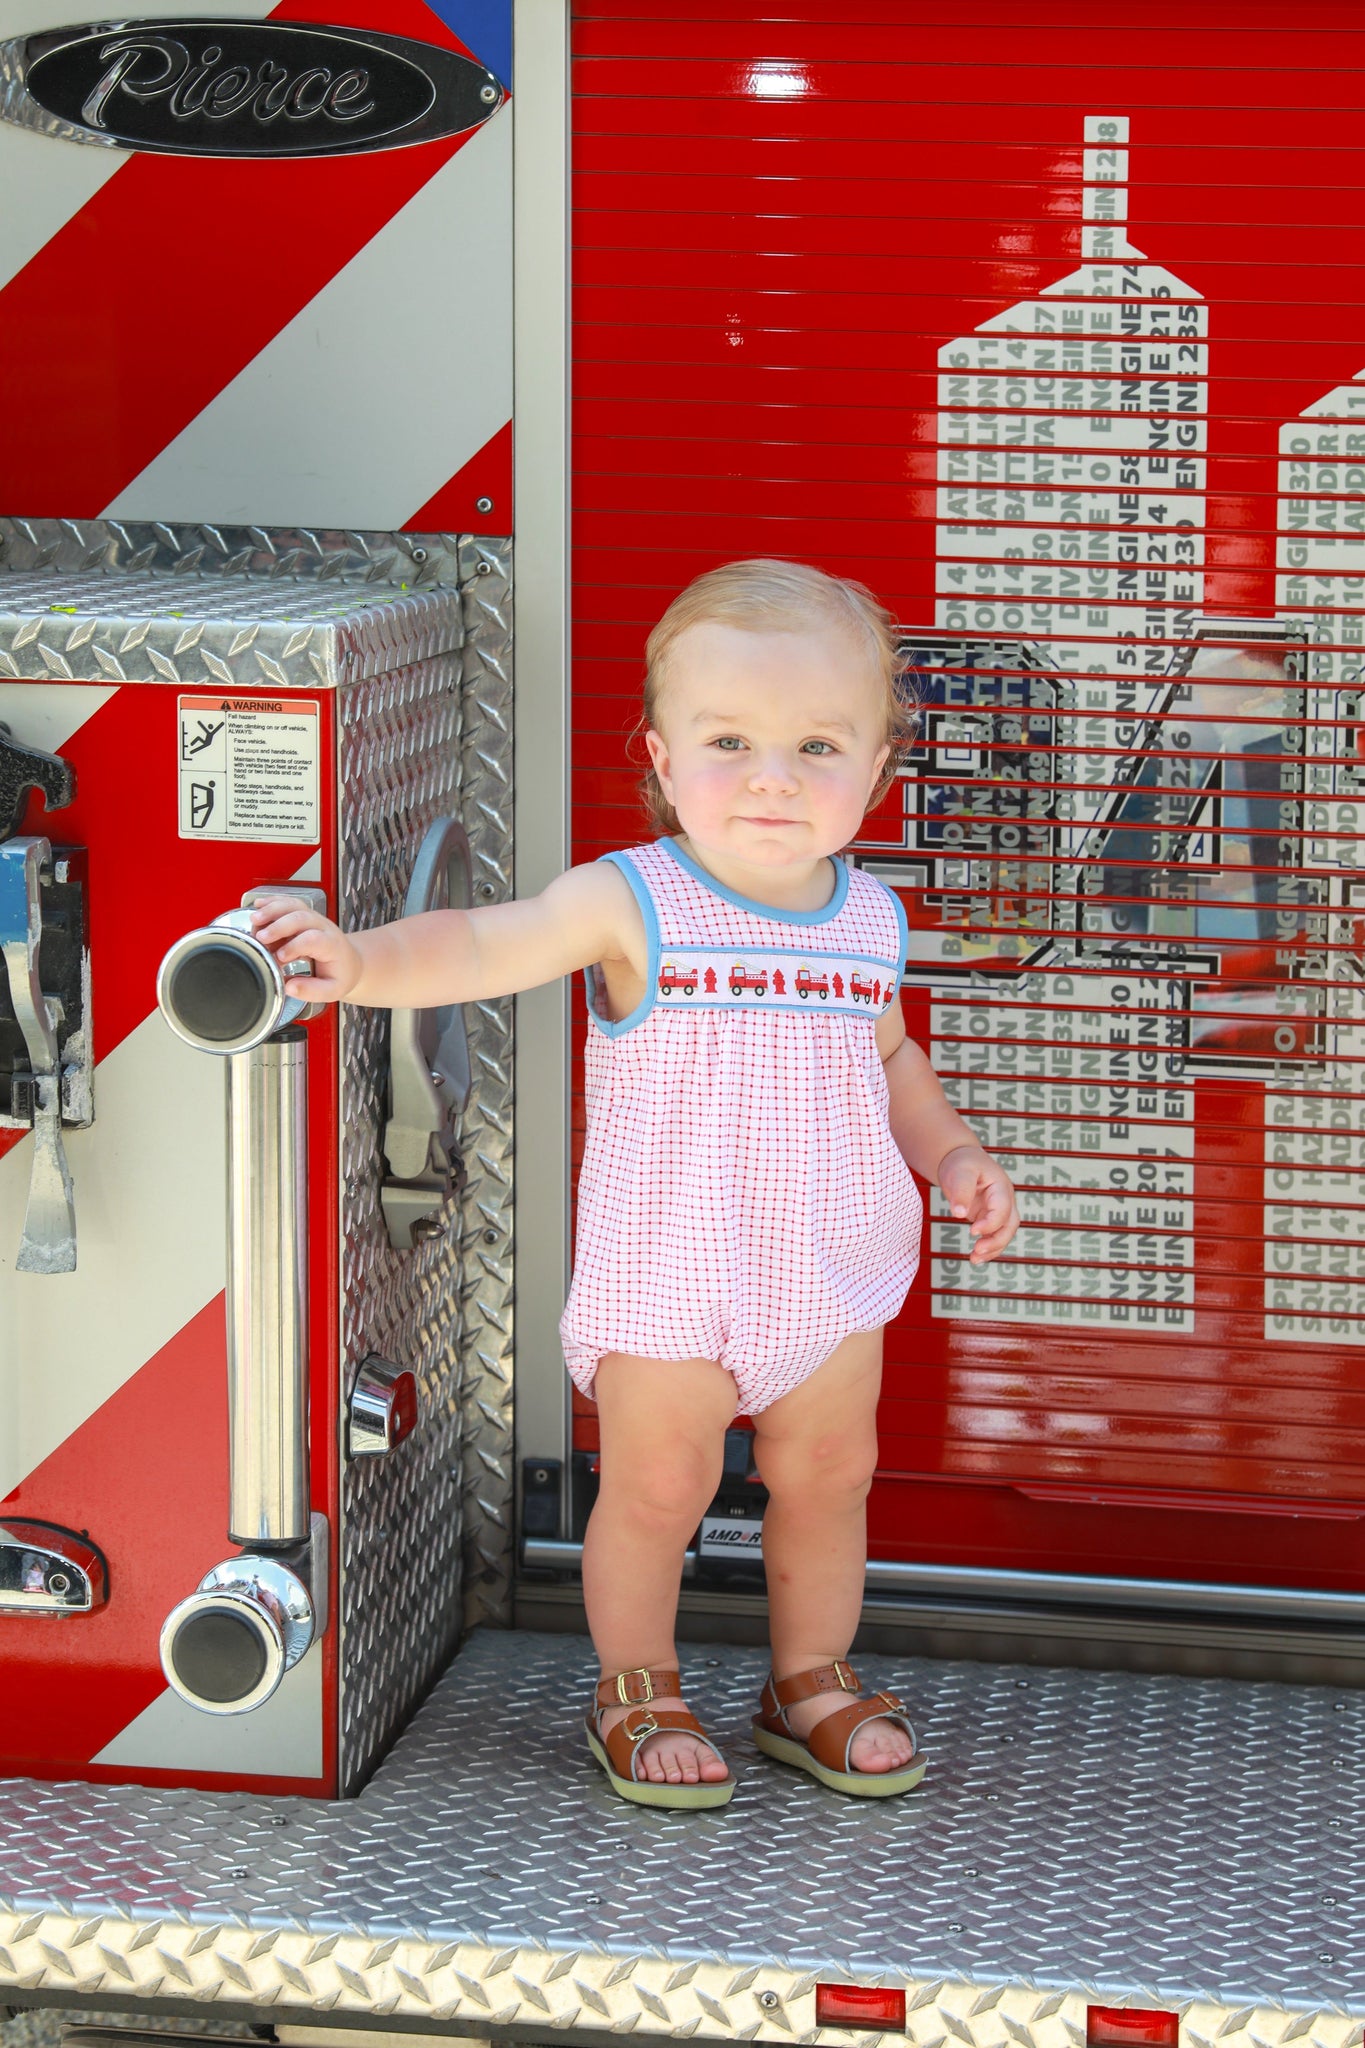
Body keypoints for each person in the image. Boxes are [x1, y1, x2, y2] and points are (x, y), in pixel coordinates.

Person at [251, 558, 1019, 1811]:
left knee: (831, 1478)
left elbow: (890, 1063)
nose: (774, 776)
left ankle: (809, 1678)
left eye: (818, 745)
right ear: (662, 758)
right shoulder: (632, 899)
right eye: (731, 741)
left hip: (828, 1268)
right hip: (673, 1274)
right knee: (660, 1487)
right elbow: (484, 939)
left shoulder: (869, 918)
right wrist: (362, 961)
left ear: (878, 770)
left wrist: (955, 1154)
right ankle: (637, 1683)